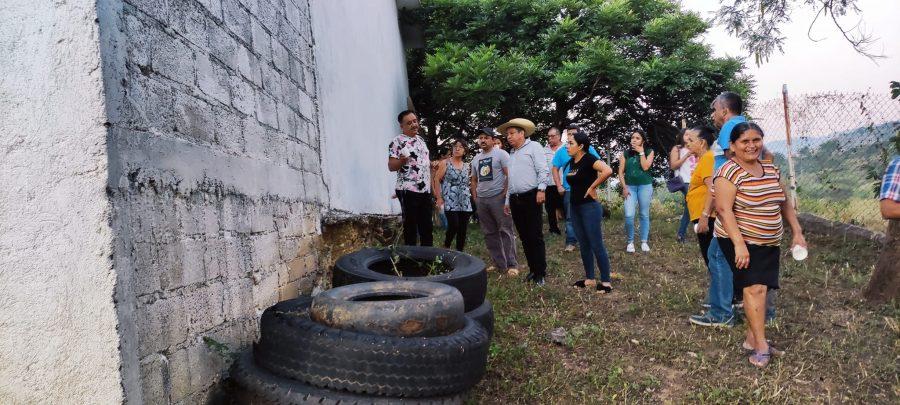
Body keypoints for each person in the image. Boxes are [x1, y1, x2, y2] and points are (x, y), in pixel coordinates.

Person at [714, 122, 806, 368]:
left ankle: (752, 339)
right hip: (739, 239)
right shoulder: (727, 172)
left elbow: (784, 202)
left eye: (756, 140)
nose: (751, 145)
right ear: (732, 146)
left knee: (763, 289)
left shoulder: (770, 169)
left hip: (769, 241)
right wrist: (739, 245)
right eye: (744, 141)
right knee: (754, 288)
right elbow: (723, 210)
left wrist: (796, 231)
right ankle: (761, 345)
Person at [682, 126, 726, 322]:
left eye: (691, 140)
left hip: (708, 217)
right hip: (703, 216)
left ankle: (723, 303)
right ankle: (719, 298)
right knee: (711, 259)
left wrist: (704, 216)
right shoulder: (703, 159)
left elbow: (713, 188)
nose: (687, 143)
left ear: (702, 142)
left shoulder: (708, 158)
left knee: (714, 260)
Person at [499, 118, 550, 285]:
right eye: (507, 134)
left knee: (535, 235)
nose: (509, 137)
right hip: (515, 198)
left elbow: (543, 169)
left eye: (512, 133)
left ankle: (540, 273)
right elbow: (511, 180)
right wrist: (507, 201)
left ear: (522, 134)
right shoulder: (512, 154)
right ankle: (532, 270)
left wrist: (542, 189)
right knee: (524, 236)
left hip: (532, 195)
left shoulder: (534, 147)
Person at [564, 131, 615, 292]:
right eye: (567, 143)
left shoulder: (589, 159)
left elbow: (607, 170)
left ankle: (606, 282)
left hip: (589, 207)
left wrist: (593, 187)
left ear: (580, 146)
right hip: (575, 207)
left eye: (570, 143)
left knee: (596, 243)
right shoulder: (572, 162)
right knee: (584, 243)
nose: (567, 146)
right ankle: (590, 279)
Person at [471, 128, 519, 274]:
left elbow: (509, 174)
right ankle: (499, 264)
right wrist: (475, 197)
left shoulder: (501, 154)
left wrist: (505, 193)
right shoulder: (476, 158)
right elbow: (473, 180)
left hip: (498, 198)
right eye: (480, 138)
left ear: (493, 139)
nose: (483, 140)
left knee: (505, 230)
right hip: (482, 200)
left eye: (486, 137)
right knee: (489, 233)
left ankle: (512, 265)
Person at [552, 129, 602, 252]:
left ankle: (589, 240)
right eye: (569, 134)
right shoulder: (563, 151)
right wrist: (559, 185)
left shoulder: (588, 149)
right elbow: (554, 168)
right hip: (569, 189)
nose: (571, 136)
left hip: (586, 189)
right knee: (570, 217)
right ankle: (571, 241)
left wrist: (594, 186)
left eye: (574, 134)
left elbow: (601, 167)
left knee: (588, 216)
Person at [388, 110, 432, 246]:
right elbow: (391, 166)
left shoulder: (421, 140)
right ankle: (411, 261)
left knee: (427, 227)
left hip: (424, 189)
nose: (414, 124)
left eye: (415, 121)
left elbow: (423, 163)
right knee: (411, 227)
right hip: (408, 190)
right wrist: (402, 160)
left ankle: (428, 261)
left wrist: (433, 165)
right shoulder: (397, 142)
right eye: (409, 123)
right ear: (402, 126)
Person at [617, 129, 655, 253]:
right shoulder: (625, 154)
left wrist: (641, 152)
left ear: (643, 140)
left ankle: (644, 242)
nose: (634, 139)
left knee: (644, 214)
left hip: (645, 186)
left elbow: (645, 167)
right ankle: (630, 242)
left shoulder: (649, 152)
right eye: (633, 137)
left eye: (638, 138)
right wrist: (624, 187)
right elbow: (620, 173)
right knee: (629, 215)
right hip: (630, 187)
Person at [434, 138, 474, 251]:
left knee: (463, 228)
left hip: (465, 200)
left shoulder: (467, 166)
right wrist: (439, 198)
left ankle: (459, 252)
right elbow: (436, 179)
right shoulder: (445, 163)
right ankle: (446, 245)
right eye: (455, 146)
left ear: (465, 151)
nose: (457, 148)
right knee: (454, 225)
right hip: (450, 199)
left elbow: (470, 182)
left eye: (461, 147)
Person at [670, 129, 698, 243]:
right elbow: (673, 166)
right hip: (684, 181)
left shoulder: (695, 147)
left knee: (690, 208)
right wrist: (686, 155)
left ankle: (682, 235)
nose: (689, 136)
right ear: (681, 136)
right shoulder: (677, 148)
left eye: (690, 135)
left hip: (696, 181)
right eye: (686, 134)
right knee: (693, 205)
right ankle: (688, 233)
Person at [543, 127, 564, 235]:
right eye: (548, 136)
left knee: (566, 206)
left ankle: (570, 229)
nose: (550, 138)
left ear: (559, 136)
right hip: (549, 184)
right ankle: (554, 229)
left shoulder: (566, 148)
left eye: (552, 136)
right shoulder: (544, 150)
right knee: (550, 208)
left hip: (563, 183)